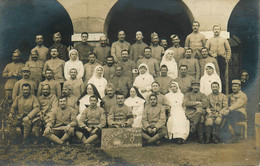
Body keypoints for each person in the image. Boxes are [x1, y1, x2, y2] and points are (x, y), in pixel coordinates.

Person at [206, 25, 231, 92]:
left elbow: (228, 49)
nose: (216, 31)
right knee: (213, 74)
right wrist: (211, 54)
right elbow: (206, 49)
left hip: (222, 59)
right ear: (213, 30)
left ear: (220, 31)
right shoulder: (209, 40)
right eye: (215, 29)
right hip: (213, 59)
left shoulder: (224, 40)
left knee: (222, 76)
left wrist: (227, 59)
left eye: (218, 29)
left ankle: (223, 92)